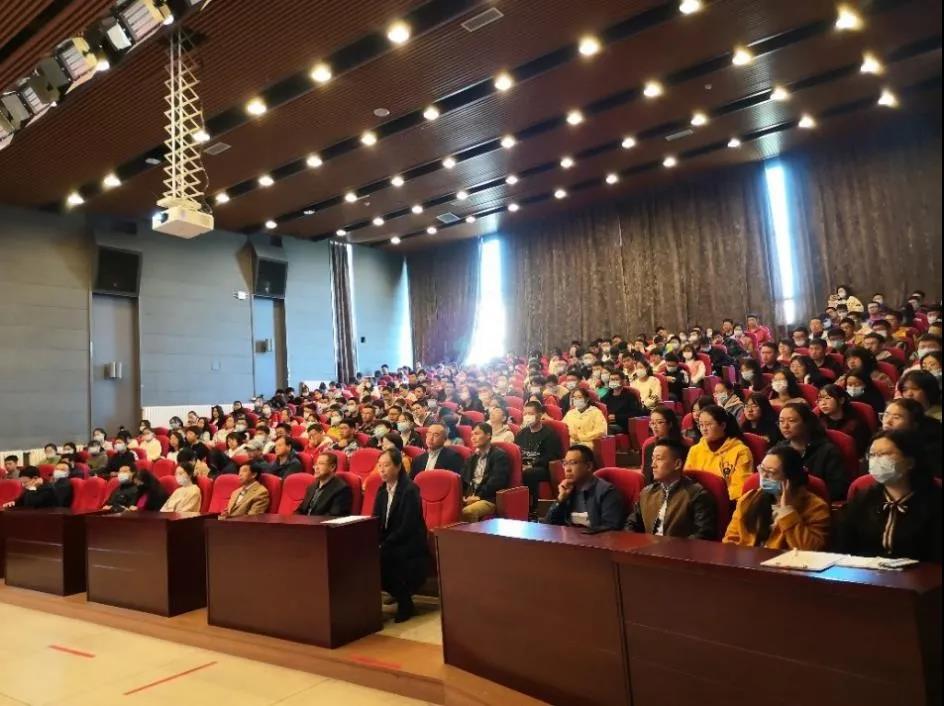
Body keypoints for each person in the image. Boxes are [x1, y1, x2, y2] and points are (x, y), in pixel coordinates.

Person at [838, 430, 941, 562]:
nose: (876, 460)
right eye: (872, 455)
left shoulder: (935, 501)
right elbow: (843, 547)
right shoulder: (863, 498)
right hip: (866, 571)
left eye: (884, 454)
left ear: (910, 462)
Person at [723, 446, 831, 550]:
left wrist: (787, 511)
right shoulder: (749, 499)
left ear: (790, 478)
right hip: (749, 559)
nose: (763, 476)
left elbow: (810, 551)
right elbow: (730, 540)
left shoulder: (816, 508)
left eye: (771, 472)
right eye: (762, 469)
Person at [373, 448, 429, 622]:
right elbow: (376, 521)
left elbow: (407, 526)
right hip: (391, 541)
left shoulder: (410, 490)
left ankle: (405, 602)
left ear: (398, 467)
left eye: (386, 465)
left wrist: (384, 544)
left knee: (383, 557)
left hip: (409, 542)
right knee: (365, 556)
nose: (382, 470)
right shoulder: (382, 491)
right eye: (379, 466)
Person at [626, 439, 715, 539]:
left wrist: (674, 547)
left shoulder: (696, 494)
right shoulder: (646, 493)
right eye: (652, 459)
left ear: (677, 464)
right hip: (649, 546)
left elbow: (703, 533)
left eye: (659, 459)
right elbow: (631, 524)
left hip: (680, 548)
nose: (653, 465)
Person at [774, 402, 846, 501]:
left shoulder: (827, 451)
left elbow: (837, 489)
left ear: (806, 423)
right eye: (781, 421)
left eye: (791, 421)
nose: (785, 426)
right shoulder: (779, 449)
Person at [544, 445, 626, 531]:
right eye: (565, 464)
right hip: (568, 538)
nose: (567, 469)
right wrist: (560, 499)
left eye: (573, 463)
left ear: (589, 466)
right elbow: (548, 525)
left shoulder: (607, 492)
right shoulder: (567, 491)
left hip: (593, 539)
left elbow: (610, 529)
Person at [683, 405, 754, 500]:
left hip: (726, 501)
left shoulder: (740, 451)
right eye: (701, 425)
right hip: (697, 499)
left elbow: (739, 488)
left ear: (723, 425)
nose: (704, 429)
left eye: (708, 424)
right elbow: (687, 481)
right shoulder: (695, 450)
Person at [515, 401, 564, 512]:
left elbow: (552, 456)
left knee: (529, 473)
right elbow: (516, 452)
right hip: (524, 466)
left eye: (531, 414)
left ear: (539, 415)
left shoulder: (549, 434)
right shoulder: (521, 433)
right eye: (525, 414)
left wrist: (532, 465)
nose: (527, 417)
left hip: (542, 468)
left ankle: (532, 507)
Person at [460, 423, 510, 522]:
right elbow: (463, 480)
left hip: (488, 498)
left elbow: (496, 482)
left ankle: (471, 533)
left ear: (488, 435)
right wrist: (463, 496)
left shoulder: (499, 456)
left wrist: (478, 496)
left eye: (477, 434)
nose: (473, 438)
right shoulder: (471, 458)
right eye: (472, 435)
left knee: (467, 511)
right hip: (470, 496)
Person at [881, 398, 942, 475]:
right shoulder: (879, 441)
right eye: (886, 415)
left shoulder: (928, 452)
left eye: (896, 417)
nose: (888, 422)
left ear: (914, 424)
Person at [816, 384, 870, 456]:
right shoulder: (818, 423)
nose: (823, 403)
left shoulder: (856, 425)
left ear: (841, 400)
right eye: (820, 400)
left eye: (827, 398)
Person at [641, 406, 688, 484]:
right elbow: (646, 473)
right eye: (652, 423)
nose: (655, 427)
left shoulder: (685, 444)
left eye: (659, 422)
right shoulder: (649, 445)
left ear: (670, 424)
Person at [297, 452, 353, 517]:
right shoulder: (312, 487)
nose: (316, 467)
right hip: (304, 522)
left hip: (320, 523)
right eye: (316, 464)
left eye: (321, 464)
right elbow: (301, 509)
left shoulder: (342, 490)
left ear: (332, 467)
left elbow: (333, 516)